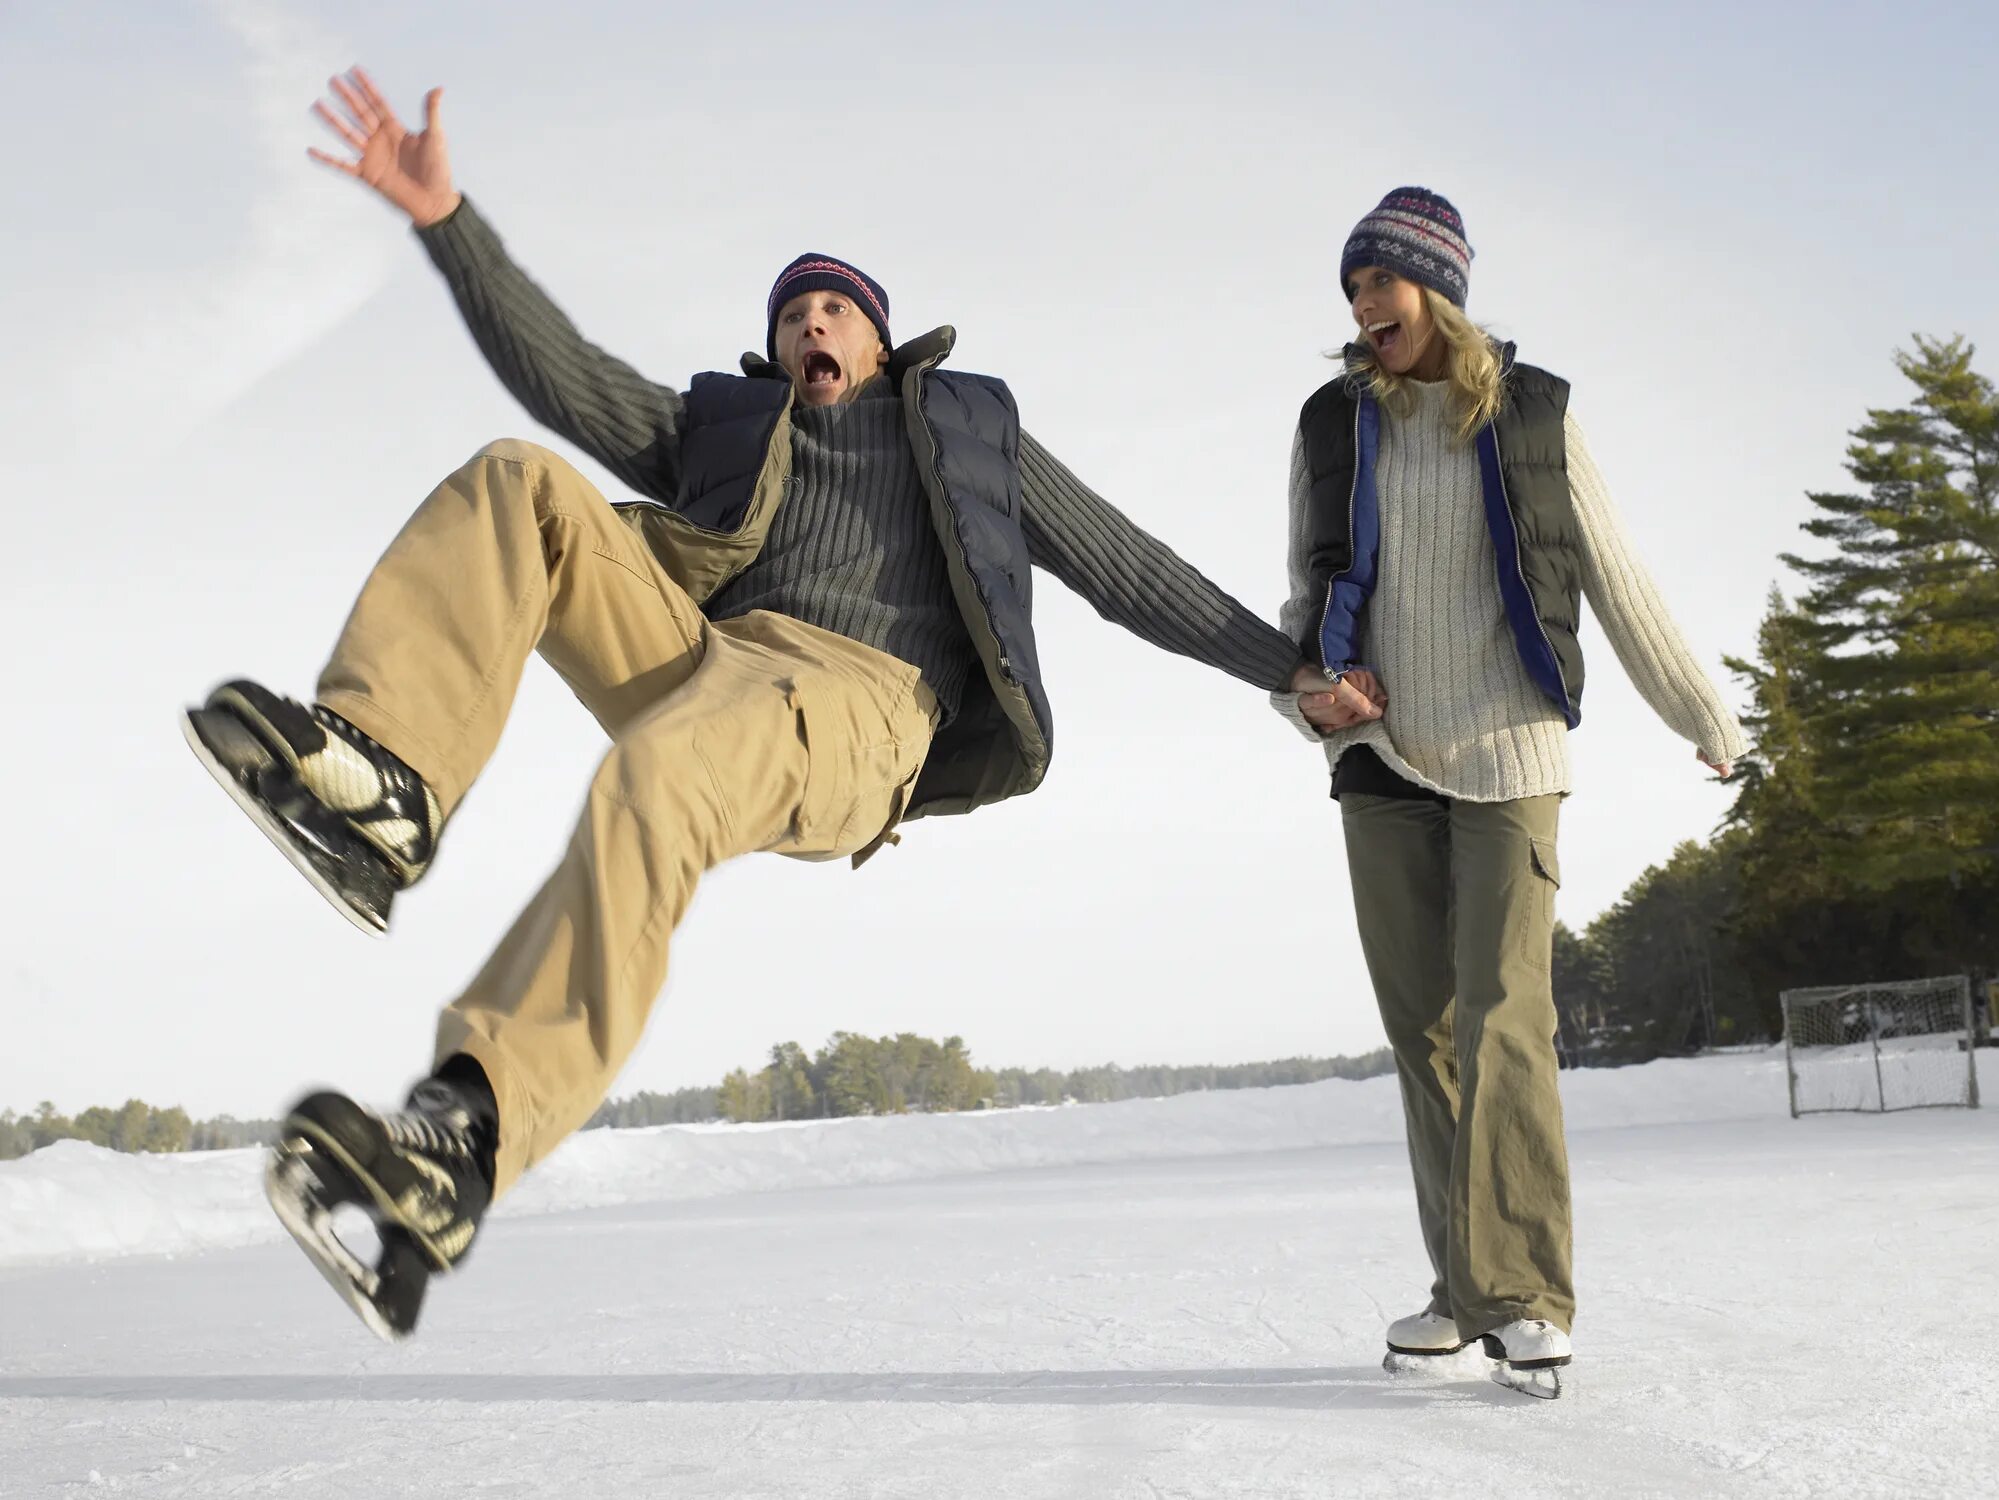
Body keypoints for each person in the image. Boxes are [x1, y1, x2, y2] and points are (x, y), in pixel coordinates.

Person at [182, 69, 1350, 1341]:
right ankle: (387, 784)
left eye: (835, 309)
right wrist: (448, 220)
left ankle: (469, 1133)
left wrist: (1284, 671)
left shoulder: (965, 441)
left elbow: (1128, 569)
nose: (811, 328)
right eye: (792, 313)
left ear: (880, 337)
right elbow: (565, 377)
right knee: (522, 479)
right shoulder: (727, 428)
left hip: (859, 702)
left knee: (654, 780)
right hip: (701, 655)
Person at [1273, 187, 1749, 1398]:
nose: (1364, 303)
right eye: (1351, 287)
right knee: (1422, 1034)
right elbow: (1304, 594)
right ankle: (1462, 1293)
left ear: (1437, 286)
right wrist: (1308, 695)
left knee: (1505, 1020)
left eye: (1381, 279)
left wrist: (1702, 710)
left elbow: (1615, 571)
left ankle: (1529, 1293)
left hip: (1507, 753)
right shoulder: (1334, 423)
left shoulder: (1533, 414)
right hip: (1378, 761)